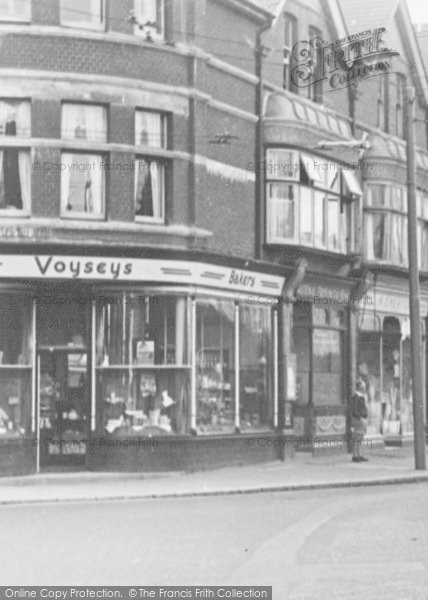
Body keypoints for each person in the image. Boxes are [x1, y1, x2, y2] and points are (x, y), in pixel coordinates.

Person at [350, 380, 368, 462]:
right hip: (358, 419)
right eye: (363, 387)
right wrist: (359, 417)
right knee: (357, 437)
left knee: (360, 438)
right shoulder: (356, 397)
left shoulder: (361, 396)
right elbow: (354, 409)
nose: (364, 388)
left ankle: (359, 454)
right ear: (360, 387)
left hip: (362, 419)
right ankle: (355, 455)